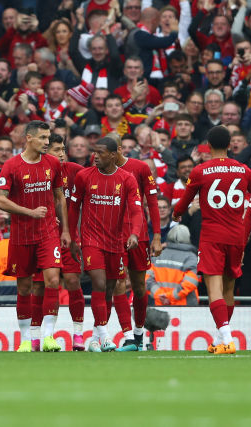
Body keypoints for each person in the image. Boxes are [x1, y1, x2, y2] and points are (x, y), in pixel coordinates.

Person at [172, 126, 251, 355]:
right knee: (229, 289)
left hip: (212, 236)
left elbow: (182, 205)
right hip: (236, 238)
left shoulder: (200, 171)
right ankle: (219, 339)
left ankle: (227, 338)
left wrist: (177, 213)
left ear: (208, 145)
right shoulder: (244, 170)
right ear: (230, 145)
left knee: (213, 288)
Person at [0, 119, 71, 352]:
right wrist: (29, 212)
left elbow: (59, 198)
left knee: (53, 281)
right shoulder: (11, 166)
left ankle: (48, 336)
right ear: (29, 138)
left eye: (49, 138)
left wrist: (65, 229)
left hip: (48, 232)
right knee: (24, 287)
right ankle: (27, 338)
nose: (47, 142)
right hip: (21, 235)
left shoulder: (53, 164)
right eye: (43, 138)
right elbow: (0, 199)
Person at [68, 136, 143, 352]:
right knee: (99, 284)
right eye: (94, 152)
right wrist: (73, 237)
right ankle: (106, 336)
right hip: (91, 240)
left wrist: (135, 234)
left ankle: (94, 338)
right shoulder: (83, 177)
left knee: (109, 289)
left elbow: (137, 210)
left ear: (112, 155)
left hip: (116, 242)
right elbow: (73, 209)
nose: (95, 156)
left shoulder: (127, 179)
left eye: (100, 153)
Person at [113, 139, 163, 352]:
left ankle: (139, 334)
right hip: (112, 236)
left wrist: (157, 235)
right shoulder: (97, 170)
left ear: (119, 149)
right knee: (117, 283)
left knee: (139, 286)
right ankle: (127, 336)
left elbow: (152, 202)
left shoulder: (140, 168)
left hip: (138, 235)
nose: (100, 156)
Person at [48, 134, 87, 350]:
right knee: (48, 285)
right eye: (56, 150)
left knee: (73, 282)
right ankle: (46, 335)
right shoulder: (38, 172)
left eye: (62, 149)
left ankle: (79, 335)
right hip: (45, 237)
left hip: (71, 238)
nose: (61, 154)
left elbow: (97, 181)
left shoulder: (75, 171)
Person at [146, 224, 200, 306]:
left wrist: (160, 296)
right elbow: (190, 282)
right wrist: (170, 297)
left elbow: (147, 280)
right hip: (186, 308)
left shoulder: (157, 256)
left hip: (160, 304)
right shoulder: (192, 258)